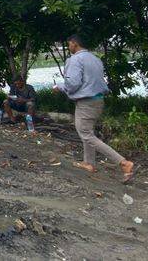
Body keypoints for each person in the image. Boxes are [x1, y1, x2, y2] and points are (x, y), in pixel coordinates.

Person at [54, 34, 136, 182]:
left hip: (86, 102)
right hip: (98, 100)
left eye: (69, 44)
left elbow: (72, 84)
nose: (68, 47)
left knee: (86, 134)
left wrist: (59, 87)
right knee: (88, 132)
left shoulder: (75, 60)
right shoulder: (95, 59)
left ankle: (123, 163)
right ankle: (89, 163)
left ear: (74, 43)